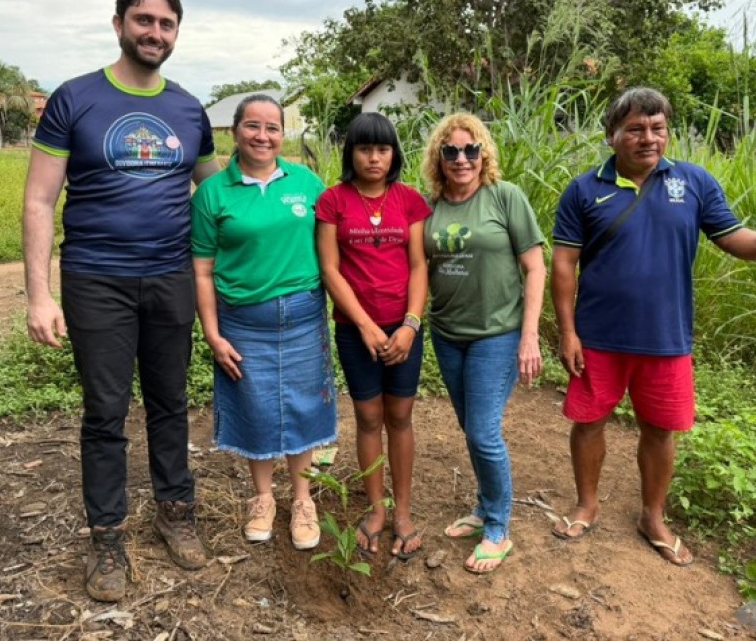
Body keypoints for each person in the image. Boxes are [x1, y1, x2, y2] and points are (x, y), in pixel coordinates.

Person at [550, 87, 756, 566]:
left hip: (666, 336)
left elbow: (734, 238)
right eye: (635, 129)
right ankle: (586, 505)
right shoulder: (584, 189)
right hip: (598, 336)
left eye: (657, 128)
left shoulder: (693, 182)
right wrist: (568, 332)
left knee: (660, 429)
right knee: (589, 422)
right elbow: (564, 264)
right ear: (612, 135)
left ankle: (652, 516)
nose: (648, 138)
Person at [22, 0, 219, 602]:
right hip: (95, 278)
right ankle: (107, 537)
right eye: (143, 20)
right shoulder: (75, 99)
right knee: (105, 412)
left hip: (170, 277)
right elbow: (39, 200)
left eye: (166, 24)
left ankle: (175, 512)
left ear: (177, 32)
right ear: (119, 25)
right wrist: (39, 295)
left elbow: (216, 195)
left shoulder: (189, 110)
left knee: (169, 401)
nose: (154, 33)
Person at [191, 94, 337, 552]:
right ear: (234, 131)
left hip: (303, 317)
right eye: (252, 126)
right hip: (242, 323)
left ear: (282, 134)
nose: (263, 136)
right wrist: (212, 333)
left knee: (303, 405)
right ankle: (262, 498)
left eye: (272, 127)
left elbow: (333, 251)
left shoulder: (307, 183)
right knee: (254, 406)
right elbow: (202, 270)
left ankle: (302, 499)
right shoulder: (213, 193)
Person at [423, 113, 547, 574]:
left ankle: (498, 527)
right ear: (439, 157)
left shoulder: (504, 196)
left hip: (497, 333)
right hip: (447, 333)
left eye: (470, 150)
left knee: (482, 431)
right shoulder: (430, 206)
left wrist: (529, 336)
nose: (462, 159)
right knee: (471, 426)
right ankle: (483, 506)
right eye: (451, 151)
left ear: (483, 154)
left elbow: (535, 267)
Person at [316, 112, 432, 560]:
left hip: (404, 329)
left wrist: (410, 324)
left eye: (382, 149)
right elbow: (330, 269)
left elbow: (419, 265)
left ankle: (402, 510)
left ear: (393, 154)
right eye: (364, 149)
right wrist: (364, 324)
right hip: (354, 329)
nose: (374, 158)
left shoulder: (410, 200)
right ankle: (377, 508)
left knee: (399, 417)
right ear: (351, 153)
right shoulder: (333, 201)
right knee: (368, 417)